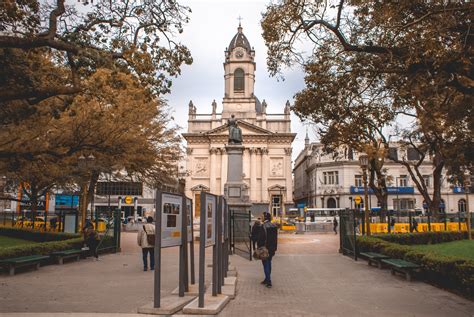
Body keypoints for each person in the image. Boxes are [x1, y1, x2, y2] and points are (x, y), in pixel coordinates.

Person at [255, 212, 278, 288]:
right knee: (269, 263)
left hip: (265, 248)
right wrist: (274, 248)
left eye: (262, 217)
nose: (261, 218)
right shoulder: (274, 226)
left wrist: (258, 246)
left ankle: (269, 281)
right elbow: (275, 239)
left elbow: (261, 239)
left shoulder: (263, 226)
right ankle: (267, 279)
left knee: (265, 264)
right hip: (272, 248)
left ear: (265, 217)